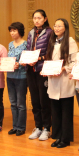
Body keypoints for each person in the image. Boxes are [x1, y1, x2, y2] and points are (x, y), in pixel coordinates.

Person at [44, 18, 78, 149]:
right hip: (53, 80)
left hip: (64, 80)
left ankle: (65, 139)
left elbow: (75, 61)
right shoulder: (52, 41)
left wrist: (65, 68)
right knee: (55, 111)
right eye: (55, 26)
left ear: (65, 28)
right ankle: (57, 136)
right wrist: (46, 70)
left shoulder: (70, 41)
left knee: (66, 112)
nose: (56, 28)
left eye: (59, 26)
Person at [25, 9, 53, 141]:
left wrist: (39, 58)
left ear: (45, 19)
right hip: (31, 70)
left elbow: (51, 52)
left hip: (43, 70)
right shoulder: (31, 32)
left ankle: (47, 128)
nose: (36, 20)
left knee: (44, 100)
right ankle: (38, 127)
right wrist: (26, 60)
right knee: (35, 100)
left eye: (39, 18)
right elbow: (28, 50)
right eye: (35, 18)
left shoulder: (49, 32)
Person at [6, 22, 28, 136]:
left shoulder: (25, 44)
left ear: (20, 31)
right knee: (13, 103)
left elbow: (28, 60)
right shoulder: (10, 44)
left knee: (20, 104)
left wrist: (19, 64)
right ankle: (15, 126)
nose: (12, 33)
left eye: (14, 30)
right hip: (10, 76)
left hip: (21, 76)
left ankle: (21, 127)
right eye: (11, 31)